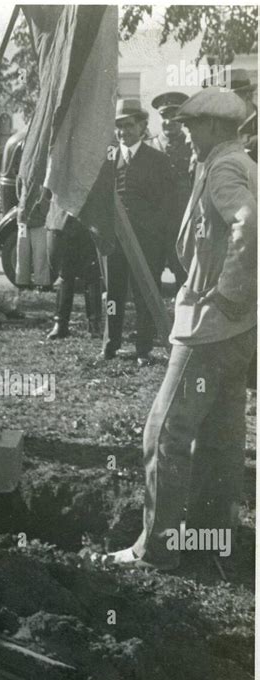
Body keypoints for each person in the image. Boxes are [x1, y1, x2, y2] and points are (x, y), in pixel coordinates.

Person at [105, 87, 256, 571]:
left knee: (164, 431)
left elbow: (250, 224)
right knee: (220, 435)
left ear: (214, 127)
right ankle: (213, 541)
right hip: (240, 329)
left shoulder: (224, 167)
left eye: (191, 127)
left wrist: (229, 293)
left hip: (211, 329)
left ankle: (157, 549)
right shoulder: (243, 161)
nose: (185, 135)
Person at [102, 99, 174, 365]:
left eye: (129, 125)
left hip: (147, 242)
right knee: (113, 294)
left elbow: (166, 203)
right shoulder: (107, 158)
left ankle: (143, 348)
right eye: (119, 127)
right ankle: (110, 345)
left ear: (143, 126)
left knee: (146, 293)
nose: (123, 132)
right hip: (115, 242)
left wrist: (152, 234)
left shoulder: (157, 159)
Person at [148, 91, 193, 288]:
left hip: (184, 223)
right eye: (165, 116)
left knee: (185, 275)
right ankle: (149, 319)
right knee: (151, 276)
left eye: (174, 116)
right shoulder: (149, 147)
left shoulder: (193, 146)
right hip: (155, 225)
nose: (169, 121)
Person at [46, 201, 103, 338]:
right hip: (63, 219)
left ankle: (95, 325)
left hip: (90, 220)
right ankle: (60, 323)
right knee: (65, 274)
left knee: (92, 275)